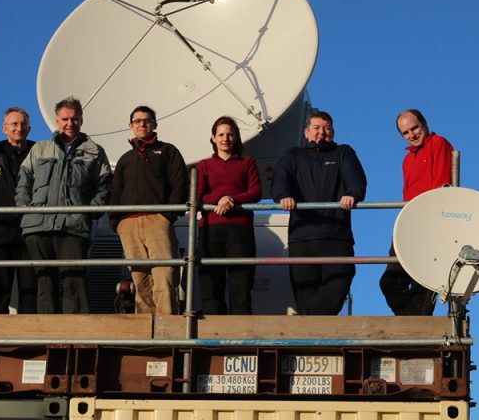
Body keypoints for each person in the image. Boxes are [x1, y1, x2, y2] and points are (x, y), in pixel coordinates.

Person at [16, 97, 111, 314]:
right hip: (38, 226)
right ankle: (47, 332)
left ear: (81, 120)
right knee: (44, 279)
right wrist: (26, 212)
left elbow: (104, 186)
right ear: (57, 121)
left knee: (74, 278)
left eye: (75, 119)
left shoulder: (95, 151)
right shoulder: (39, 149)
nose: (70, 123)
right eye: (65, 119)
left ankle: (75, 333)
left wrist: (89, 212)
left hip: (74, 225)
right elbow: (23, 183)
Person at [271, 109, 367, 315]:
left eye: (327, 128)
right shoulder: (293, 155)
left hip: (336, 236)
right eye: (316, 128)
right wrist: (283, 195)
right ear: (306, 132)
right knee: (304, 292)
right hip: (302, 237)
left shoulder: (343, 153)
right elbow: (279, 182)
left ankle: (307, 323)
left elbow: (357, 182)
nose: (321, 132)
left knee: (340, 282)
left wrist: (352, 194)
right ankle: (312, 335)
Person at [109, 105, 187, 315]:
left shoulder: (168, 151)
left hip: (157, 220)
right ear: (130, 126)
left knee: (164, 275)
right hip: (129, 224)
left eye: (146, 120)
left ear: (154, 124)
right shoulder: (125, 159)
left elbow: (180, 184)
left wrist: (167, 216)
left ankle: (167, 326)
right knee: (139, 278)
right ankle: (144, 329)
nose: (141, 124)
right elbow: (115, 191)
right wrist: (118, 223)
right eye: (137, 121)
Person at [380, 108, 454, 316]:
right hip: (409, 220)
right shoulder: (407, 160)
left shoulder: (439, 144)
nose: (412, 135)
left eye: (415, 128)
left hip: (431, 220)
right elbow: (407, 194)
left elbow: (443, 184)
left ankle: (418, 322)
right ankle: (411, 320)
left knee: (424, 277)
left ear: (425, 124)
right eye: (406, 132)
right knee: (389, 281)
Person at [196, 116, 261, 315]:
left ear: (236, 137)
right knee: (210, 283)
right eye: (221, 134)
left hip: (239, 229)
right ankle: (214, 336)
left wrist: (231, 199)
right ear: (213, 138)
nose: (225, 138)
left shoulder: (247, 162)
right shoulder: (204, 165)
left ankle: (240, 334)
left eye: (230, 134)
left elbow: (256, 191)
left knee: (240, 283)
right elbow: (198, 195)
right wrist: (220, 199)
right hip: (210, 228)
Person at [0, 107, 36, 314]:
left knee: (30, 288)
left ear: (29, 128)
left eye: (23, 124)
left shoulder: (39, 157)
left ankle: (33, 338)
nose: (19, 128)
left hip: (30, 230)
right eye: (14, 124)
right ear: (5, 128)